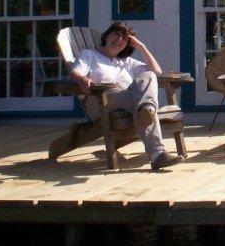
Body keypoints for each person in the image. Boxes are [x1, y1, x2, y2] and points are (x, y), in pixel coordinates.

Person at [69, 21, 177, 170]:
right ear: (106, 36)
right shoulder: (89, 55)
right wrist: (83, 79)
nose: (119, 40)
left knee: (148, 76)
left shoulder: (127, 62)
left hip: (126, 100)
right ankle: (156, 147)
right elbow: (75, 72)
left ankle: (157, 150)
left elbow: (157, 73)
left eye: (124, 39)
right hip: (99, 99)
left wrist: (141, 47)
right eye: (116, 34)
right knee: (140, 103)